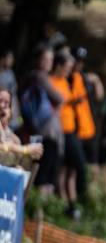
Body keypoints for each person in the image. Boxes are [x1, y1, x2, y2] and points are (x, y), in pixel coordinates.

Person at [49, 49, 88, 217]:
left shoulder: (65, 81)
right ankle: (64, 202)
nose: (69, 70)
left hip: (71, 128)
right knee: (74, 165)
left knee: (69, 168)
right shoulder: (50, 82)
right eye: (67, 67)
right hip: (60, 131)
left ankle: (71, 203)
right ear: (59, 66)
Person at [21, 43, 64, 195]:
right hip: (44, 130)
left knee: (42, 167)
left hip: (39, 128)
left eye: (51, 59)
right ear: (38, 59)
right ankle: (38, 202)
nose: (48, 62)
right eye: (45, 59)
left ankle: (38, 200)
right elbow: (59, 98)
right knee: (43, 170)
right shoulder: (39, 76)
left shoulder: (34, 76)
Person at [72, 47, 104, 166]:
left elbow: (99, 97)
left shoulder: (85, 78)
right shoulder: (68, 78)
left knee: (92, 162)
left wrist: (97, 80)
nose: (79, 64)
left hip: (89, 125)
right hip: (75, 127)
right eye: (77, 61)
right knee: (74, 165)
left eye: (81, 61)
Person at [0, 88, 43, 168]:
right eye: (0, 100)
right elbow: (4, 146)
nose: (2, 105)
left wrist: (30, 155)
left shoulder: (12, 135)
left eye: (6, 102)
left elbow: (14, 146)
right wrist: (25, 149)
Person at [0, 50, 21, 130]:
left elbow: (14, 92)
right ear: (2, 59)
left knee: (13, 126)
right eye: (9, 58)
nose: (12, 61)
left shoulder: (10, 73)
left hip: (11, 104)